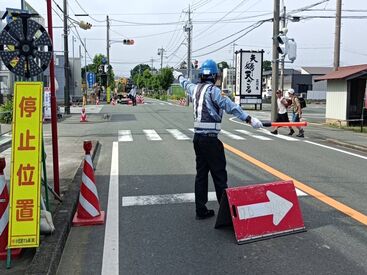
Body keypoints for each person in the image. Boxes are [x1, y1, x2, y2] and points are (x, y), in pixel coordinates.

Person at [173, 59, 263, 220]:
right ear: (214, 75)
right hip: (211, 140)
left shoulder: (195, 89)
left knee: (201, 174)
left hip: (198, 139)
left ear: (201, 75)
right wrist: (250, 119)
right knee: (219, 175)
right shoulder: (214, 91)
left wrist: (178, 76)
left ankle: (200, 210)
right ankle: (227, 214)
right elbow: (231, 106)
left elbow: (184, 83)